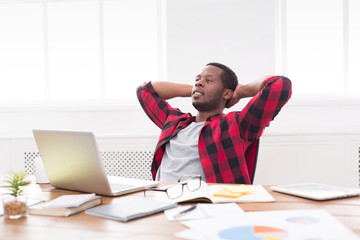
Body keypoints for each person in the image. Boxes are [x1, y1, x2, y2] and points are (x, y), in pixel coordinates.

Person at [137, 62, 292, 184]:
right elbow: (144, 90)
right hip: (161, 202)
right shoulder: (174, 122)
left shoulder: (236, 126)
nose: (199, 83)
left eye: (209, 80)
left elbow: (280, 84)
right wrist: (194, 89)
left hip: (205, 208)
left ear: (227, 93)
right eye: (197, 79)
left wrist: (240, 91)